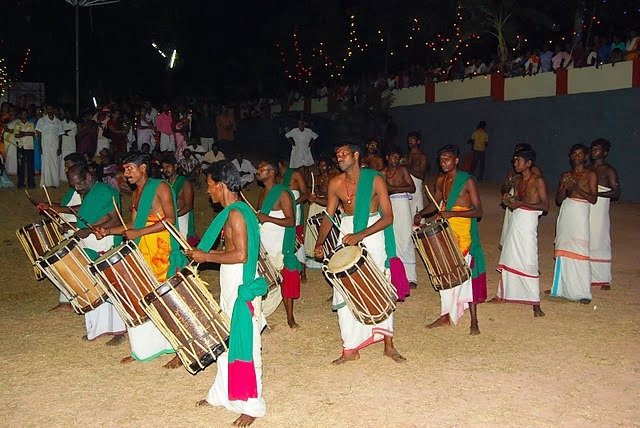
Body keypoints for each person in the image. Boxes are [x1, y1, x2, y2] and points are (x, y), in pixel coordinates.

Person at [188, 161, 266, 426]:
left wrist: (206, 255)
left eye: (210, 185)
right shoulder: (236, 210)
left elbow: (242, 254)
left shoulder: (236, 214)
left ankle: (251, 406)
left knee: (247, 342)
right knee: (228, 338)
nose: (208, 191)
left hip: (240, 282)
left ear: (221, 185)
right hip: (232, 278)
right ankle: (222, 393)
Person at [314, 144, 406, 364]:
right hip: (346, 233)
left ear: (356, 156)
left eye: (344, 154)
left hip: (373, 232)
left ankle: (388, 344)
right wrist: (319, 242)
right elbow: (329, 215)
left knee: (381, 285)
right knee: (345, 287)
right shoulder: (335, 183)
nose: (340, 157)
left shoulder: (375, 179)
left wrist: (360, 234)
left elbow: (388, 217)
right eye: (337, 155)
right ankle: (350, 348)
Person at [95, 151, 186, 368]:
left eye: (130, 168)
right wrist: (108, 232)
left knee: (168, 299)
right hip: (143, 249)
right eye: (125, 169)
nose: (126, 174)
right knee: (145, 299)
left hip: (162, 249)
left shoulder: (160, 186)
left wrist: (139, 233)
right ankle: (148, 347)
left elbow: (171, 220)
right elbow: (133, 228)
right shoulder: (136, 194)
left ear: (143, 168)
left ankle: (181, 350)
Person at [38, 164, 127, 343]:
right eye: (73, 184)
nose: (76, 187)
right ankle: (97, 328)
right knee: (90, 286)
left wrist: (88, 229)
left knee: (107, 287)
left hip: (104, 241)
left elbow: (115, 218)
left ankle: (120, 331)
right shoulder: (89, 191)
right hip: (89, 242)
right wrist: (54, 208)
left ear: (87, 176)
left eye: (78, 183)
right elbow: (82, 210)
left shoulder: (106, 191)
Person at [414, 144, 487, 335]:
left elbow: (479, 211)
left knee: (466, 274)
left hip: (463, 233)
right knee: (446, 270)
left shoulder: (467, 181)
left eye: (447, 158)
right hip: (446, 231)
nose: (443, 162)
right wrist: (421, 213)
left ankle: (474, 320)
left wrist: (451, 213)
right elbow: (435, 204)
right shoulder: (441, 181)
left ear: (456, 160)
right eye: (441, 159)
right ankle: (445, 315)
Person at [491, 148, 548, 317]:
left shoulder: (538, 180)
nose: (515, 163)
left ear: (529, 163)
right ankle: (502, 294)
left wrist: (520, 204)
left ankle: (535, 302)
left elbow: (545, 206)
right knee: (510, 255)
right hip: (517, 219)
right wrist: (508, 201)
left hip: (528, 221)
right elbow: (514, 202)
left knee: (529, 258)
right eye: (515, 160)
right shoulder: (516, 180)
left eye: (519, 161)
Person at [549, 144, 597, 304]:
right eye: (574, 154)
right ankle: (562, 288)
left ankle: (582, 291)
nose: (577, 157)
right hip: (567, 210)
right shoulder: (566, 175)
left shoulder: (590, 174)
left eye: (580, 154)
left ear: (585, 156)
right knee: (564, 248)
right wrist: (566, 187)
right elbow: (558, 199)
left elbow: (593, 199)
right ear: (570, 157)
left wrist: (575, 187)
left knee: (580, 249)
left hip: (581, 211)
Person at [256, 160, 300, 328]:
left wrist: (267, 218)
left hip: (279, 243)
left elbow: (291, 221)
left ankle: (290, 317)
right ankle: (261, 315)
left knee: (286, 278)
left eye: (263, 169)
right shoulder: (262, 194)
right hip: (264, 242)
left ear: (272, 172)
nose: (258, 170)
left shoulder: (283, 193)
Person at [384, 146, 417, 290]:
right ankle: (396, 275)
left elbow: (412, 188)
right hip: (388, 204)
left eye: (398, 157)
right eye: (393, 157)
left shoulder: (403, 170)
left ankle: (411, 277)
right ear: (387, 157)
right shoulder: (382, 172)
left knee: (405, 237)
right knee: (392, 237)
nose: (396, 160)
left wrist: (393, 189)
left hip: (402, 203)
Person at [499, 143, 543, 249]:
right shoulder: (514, 171)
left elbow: (536, 194)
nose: (516, 158)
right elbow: (504, 189)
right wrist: (508, 188)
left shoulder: (535, 173)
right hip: (514, 199)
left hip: (525, 207)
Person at [589, 139, 620, 290]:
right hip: (587, 206)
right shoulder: (587, 168)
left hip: (599, 208)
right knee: (586, 237)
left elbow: (616, 192)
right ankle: (585, 274)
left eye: (598, 149)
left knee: (600, 238)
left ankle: (603, 278)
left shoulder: (608, 170)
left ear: (605, 152)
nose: (594, 151)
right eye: (593, 148)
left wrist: (597, 194)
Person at [278, 159, 309, 281]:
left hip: (295, 211)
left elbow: (305, 194)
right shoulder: (278, 180)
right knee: (286, 238)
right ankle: (289, 268)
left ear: (280, 164)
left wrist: (293, 203)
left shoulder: (295, 175)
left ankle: (303, 269)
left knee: (296, 237)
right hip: (283, 212)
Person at [161, 154, 196, 243]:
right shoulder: (164, 184)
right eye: (164, 167)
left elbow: (189, 206)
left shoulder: (184, 182)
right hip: (169, 219)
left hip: (181, 218)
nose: (166, 169)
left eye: (168, 166)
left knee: (182, 246)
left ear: (175, 166)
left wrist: (173, 216)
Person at [304, 158, 333, 263]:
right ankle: (314, 254)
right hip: (315, 205)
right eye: (320, 165)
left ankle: (326, 254)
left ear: (329, 167)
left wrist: (316, 198)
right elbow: (308, 191)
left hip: (325, 206)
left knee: (324, 230)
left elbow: (331, 199)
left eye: (324, 165)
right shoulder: (316, 178)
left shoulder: (332, 180)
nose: (321, 168)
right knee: (313, 229)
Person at [36, 105, 64, 187]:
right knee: (45, 163)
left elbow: (60, 135)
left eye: (51, 109)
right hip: (45, 145)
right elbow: (39, 134)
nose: (49, 110)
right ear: (46, 110)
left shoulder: (58, 121)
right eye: (48, 109)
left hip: (55, 145)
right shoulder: (42, 120)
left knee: (55, 163)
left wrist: (60, 147)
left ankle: (55, 182)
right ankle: (46, 183)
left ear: (54, 110)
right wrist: (40, 146)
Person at [405, 131, 429, 226]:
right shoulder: (407, 155)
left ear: (418, 142)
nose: (410, 141)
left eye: (413, 139)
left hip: (416, 186)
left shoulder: (422, 156)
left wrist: (407, 169)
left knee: (417, 208)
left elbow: (421, 175)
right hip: (407, 186)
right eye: (409, 140)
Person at [14, 109, 36, 189]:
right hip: (20, 147)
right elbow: (16, 135)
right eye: (23, 114)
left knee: (30, 166)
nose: (24, 115)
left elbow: (33, 133)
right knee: (20, 166)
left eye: (25, 114)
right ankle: (20, 184)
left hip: (29, 147)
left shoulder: (31, 123)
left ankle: (31, 183)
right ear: (20, 115)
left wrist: (22, 133)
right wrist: (27, 133)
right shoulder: (17, 124)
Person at [59, 110, 77, 182]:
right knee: (62, 161)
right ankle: (62, 177)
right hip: (63, 145)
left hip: (71, 145)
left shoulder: (74, 124)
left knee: (71, 161)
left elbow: (73, 133)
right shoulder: (61, 123)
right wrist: (65, 131)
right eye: (66, 113)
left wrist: (63, 132)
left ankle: (70, 177)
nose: (67, 115)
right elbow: (59, 132)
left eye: (69, 113)